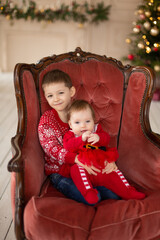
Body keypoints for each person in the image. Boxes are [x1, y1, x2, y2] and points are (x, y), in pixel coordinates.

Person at [38, 69, 120, 205]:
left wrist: (108, 159)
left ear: (71, 92)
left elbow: (95, 140)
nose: (56, 99)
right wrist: (77, 159)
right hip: (60, 172)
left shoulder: (81, 113)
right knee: (94, 198)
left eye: (60, 93)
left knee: (114, 195)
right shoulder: (47, 121)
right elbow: (51, 149)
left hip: (87, 164)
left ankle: (97, 186)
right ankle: (93, 191)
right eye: (50, 95)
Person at [63, 99, 146, 204]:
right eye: (77, 122)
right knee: (75, 170)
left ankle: (128, 191)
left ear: (93, 121)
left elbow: (106, 139)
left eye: (87, 121)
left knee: (113, 171)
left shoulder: (96, 130)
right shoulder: (70, 135)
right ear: (70, 124)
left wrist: (99, 137)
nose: (83, 126)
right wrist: (81, 139)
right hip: (85, 167)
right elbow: (67, 146)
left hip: (101, 165)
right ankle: (89, 192)